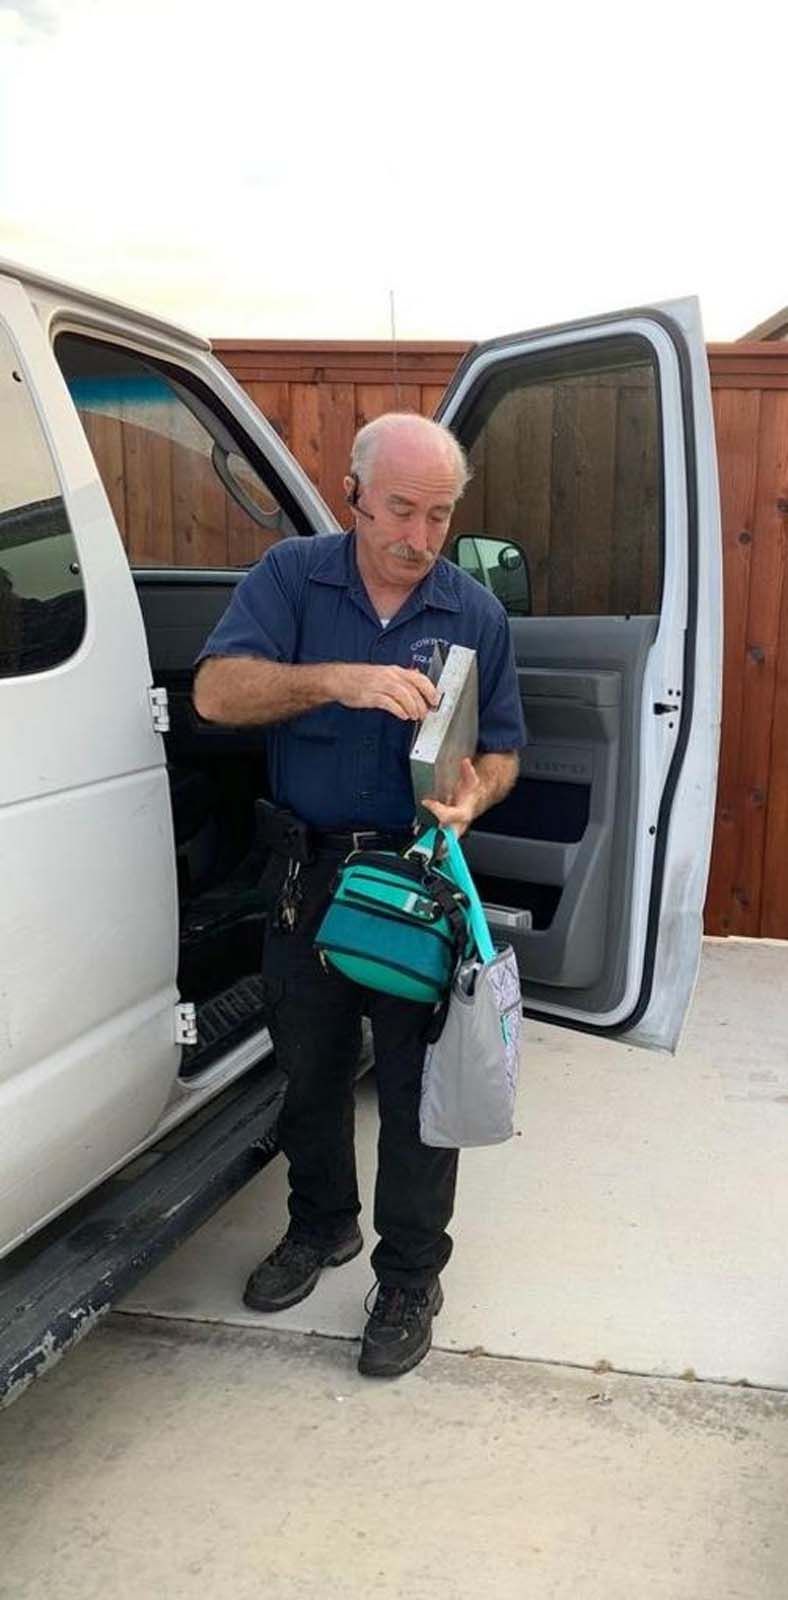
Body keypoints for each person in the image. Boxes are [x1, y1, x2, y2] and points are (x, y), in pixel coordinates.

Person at [193, 412, 525, 1377]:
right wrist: (335, 680)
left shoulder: (476, 612)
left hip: (420, 882)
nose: (419, 539)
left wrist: (476, 795)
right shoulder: (292, 578)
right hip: (310, 876)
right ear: (354, 495)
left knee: (423, 1092)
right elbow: (216, 693)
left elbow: (503, 749)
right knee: (310, 1069)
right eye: (399, 511)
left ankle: (412, 1274)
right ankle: (321, 1226)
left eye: (439, 515)